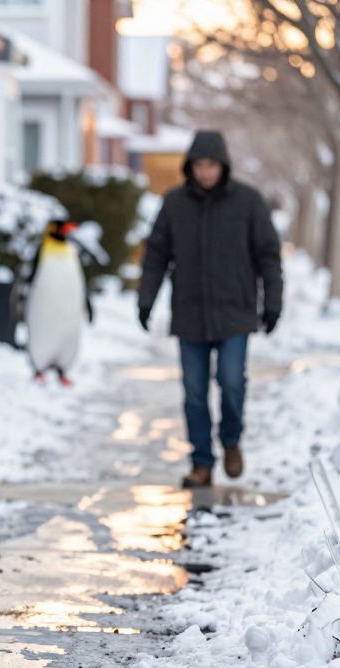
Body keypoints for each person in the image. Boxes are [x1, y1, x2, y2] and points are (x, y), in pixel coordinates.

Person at [137, 131, 283, 489]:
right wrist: (146, 299)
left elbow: (268, 255)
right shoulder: (173, 204)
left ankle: (231, 440)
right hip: (190, 314)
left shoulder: (248, 202)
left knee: (232, 383)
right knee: (194, 392)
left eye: (211, 165)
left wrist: (273, 302)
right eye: (199, 165)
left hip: (235, 312)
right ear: (190, 167)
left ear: (223, 166)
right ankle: (201, 462)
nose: (205, 172)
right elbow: (156, 255)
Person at [24, 220, 94, 386]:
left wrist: (87, 304)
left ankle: (64, 368)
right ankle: (38, 368)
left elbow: (81, 285)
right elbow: (26, 282)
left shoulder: (71, 252)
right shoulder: (42, 252)